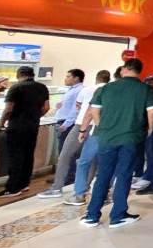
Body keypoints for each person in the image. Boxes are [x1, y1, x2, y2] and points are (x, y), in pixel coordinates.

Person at [79, 58, 153, 229]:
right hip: (131, 138)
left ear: (124, 69)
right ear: (139, 71)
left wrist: (102, 127)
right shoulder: (146, 90)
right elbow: (152, 113)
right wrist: (150, 130)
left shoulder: (106, 88)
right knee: (124, 175)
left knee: (103, 175)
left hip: (107, 138)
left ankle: (92, 215)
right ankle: (118, 215)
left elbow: (94, 110)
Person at [40, 70, 107, 199]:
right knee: (92, 159)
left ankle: (57, 187)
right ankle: (85, 187)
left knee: (65, 155)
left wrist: (77, 127)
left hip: (80, 124)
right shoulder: (109, 90)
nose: (66, 78)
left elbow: (80, 108)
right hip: (99, 126)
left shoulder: (86, 90)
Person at [0, 66, 50, 198]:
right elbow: (46, 107)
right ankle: (24, 183)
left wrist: (1, 124)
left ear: (19, 74)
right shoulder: (42, 87)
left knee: (16, 157)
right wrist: (35, 117)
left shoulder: (16, 88)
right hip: (33, 126)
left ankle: (12, 188)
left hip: (17, 126)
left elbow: (8, 109)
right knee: (28, 155)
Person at [58, 70, 111, 205]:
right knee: (105, 163)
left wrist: (83, 130)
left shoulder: (92, 90)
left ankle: (79, 194)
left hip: (96, 131)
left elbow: (88, 110)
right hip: (113, 132)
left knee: (83, 161)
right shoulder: (117, 92)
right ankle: (103, 194)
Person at [53, 69, 85, 153]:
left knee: (65, 152)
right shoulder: (71, 89)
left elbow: (76, 110)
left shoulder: (79, 90)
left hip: (68, 125)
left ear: (76, 78)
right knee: (62, 150)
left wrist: (66, 124)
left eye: (68, 76)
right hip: (63, 122)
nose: (65, 78)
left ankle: (65, 166)